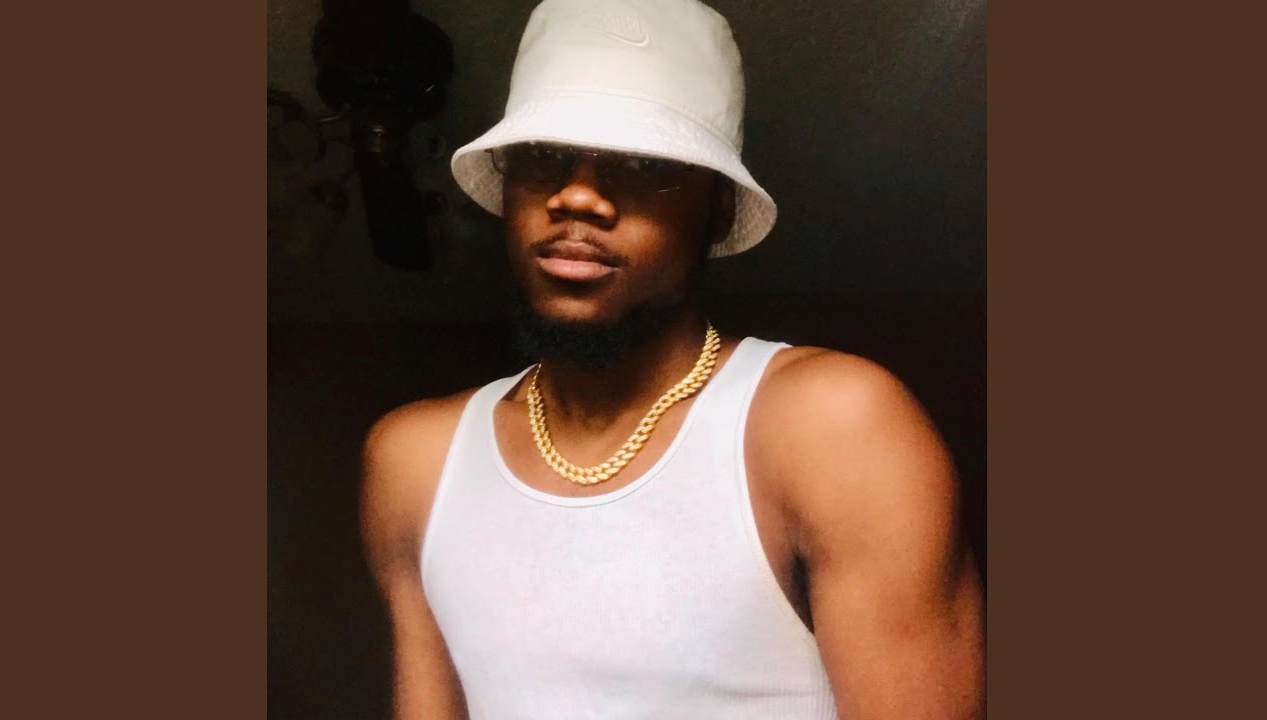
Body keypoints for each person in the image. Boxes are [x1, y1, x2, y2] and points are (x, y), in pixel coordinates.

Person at [360, 0, 984, 718]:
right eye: (543, 156)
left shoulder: (827, 425)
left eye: (643, 165)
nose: (577, 195)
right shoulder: (415, 461)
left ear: (718, 210)